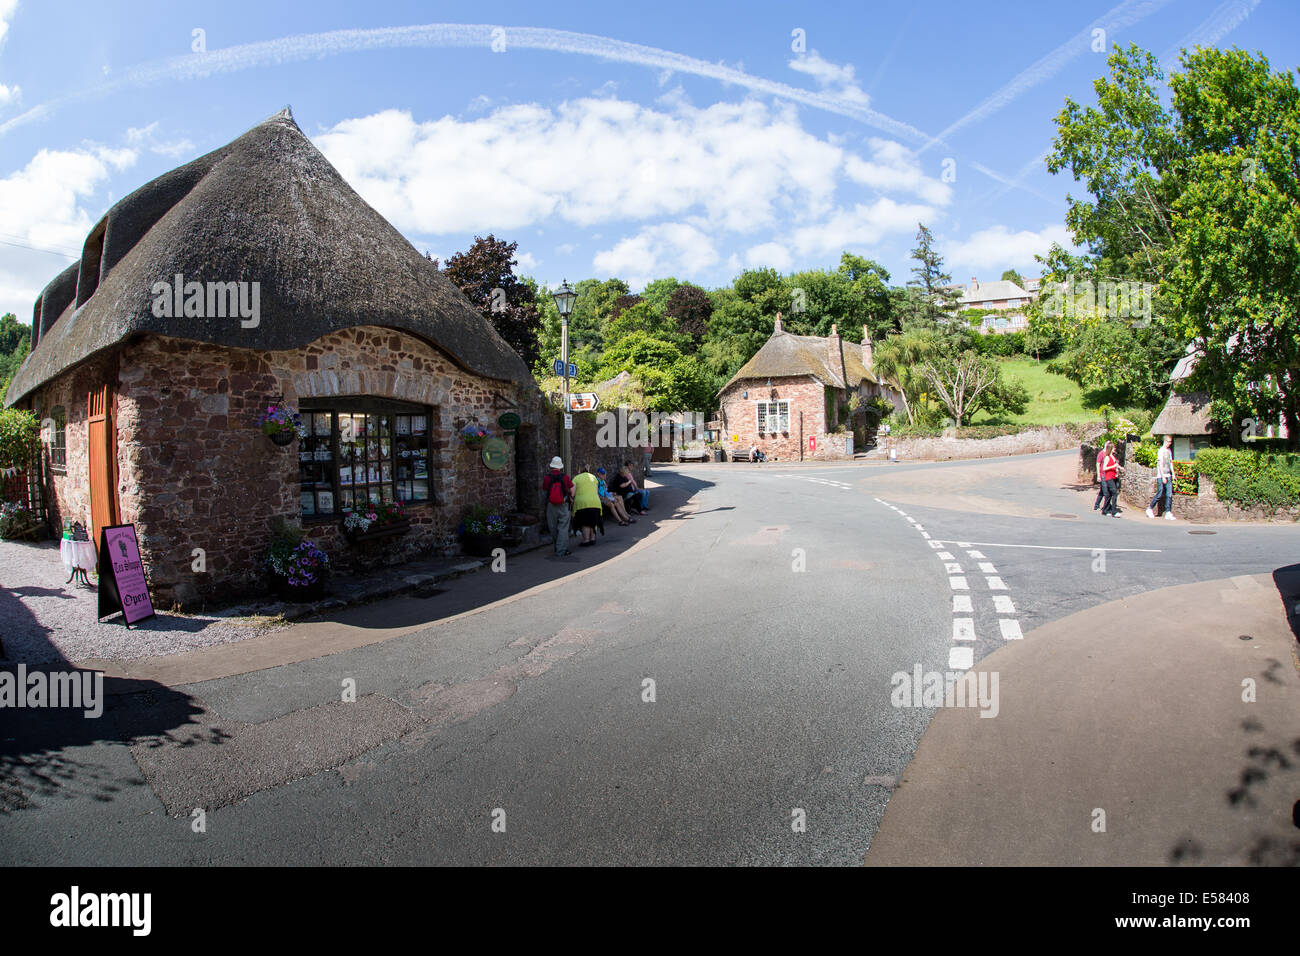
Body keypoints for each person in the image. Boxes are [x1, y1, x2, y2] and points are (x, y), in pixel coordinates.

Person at [542, 456, 574, 556]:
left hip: (551, 505)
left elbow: (545, 489)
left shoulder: (547, 477)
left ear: (551, 466)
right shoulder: (565, 477)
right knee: (563, 527)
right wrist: (571, 497)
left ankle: (557, 546)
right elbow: (572, 489)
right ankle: (561, 550)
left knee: (553, 527)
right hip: (563, 504)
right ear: (560, 466)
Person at [571, 463, 603, 546]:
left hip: (582, 503)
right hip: (595, 502)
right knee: (593, 521)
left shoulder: (576, 478)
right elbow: (596, 491)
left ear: (579, 470)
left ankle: (586, 540)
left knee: (585, 522)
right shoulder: (593, 477)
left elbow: (572, 493)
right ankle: (592, 539)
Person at [1146, 434, 1176, 520]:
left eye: (1171, 442)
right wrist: (1162, 476)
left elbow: (1170, 463)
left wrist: (1173, 474)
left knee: (1169, 494)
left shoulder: (1169, 451)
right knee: (1160, 493)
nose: (1170, 443)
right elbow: (1160, 464)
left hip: (1168, 475)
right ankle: (1150, 508)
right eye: (1169, 442)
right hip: (1161, 475)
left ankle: (1168, 512)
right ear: (1165, 441)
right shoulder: (1161, 451)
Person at [1099, 441, 1123, 516]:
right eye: (1113, 448)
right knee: (1115, 493)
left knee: (1109, 495)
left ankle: (1105, 510)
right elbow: (1104, 468)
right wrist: (1113, 467)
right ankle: (1113, 511)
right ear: (1110, 449)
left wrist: (1120, 468)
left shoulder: (1113, 457)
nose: (1115, 449)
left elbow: (1116, 464)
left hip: (1113, 477)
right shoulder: (1107, 457)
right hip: (1109, 478)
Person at [1093, 445, 1106, 511]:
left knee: (1102, 491)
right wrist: (1098, 475)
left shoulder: (1108, 454)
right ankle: (1107, 507)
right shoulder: (1101, 454)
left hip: (1107, 475)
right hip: (1102, 475)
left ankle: (1096, 505)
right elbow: (1098, 464)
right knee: (1106, 491)